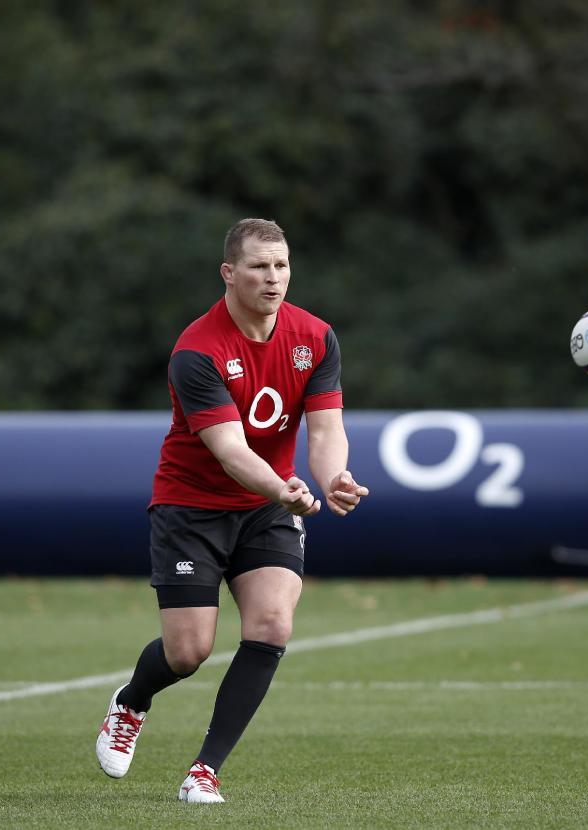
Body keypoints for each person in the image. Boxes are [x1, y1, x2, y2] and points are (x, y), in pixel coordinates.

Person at [94, 218, 370, 803]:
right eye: (259, 267)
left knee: (272, 624)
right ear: (229, 273)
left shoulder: (316, 337)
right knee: (188, 652)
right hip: (191, 506)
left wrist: (334, 476)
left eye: (281, 266)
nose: (273, 279)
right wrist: (284, 489)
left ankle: (205, 772)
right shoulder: (196, 351)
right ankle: (131, 703)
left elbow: (325, 430)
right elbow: (230, 451)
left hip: (267, 504)